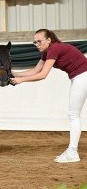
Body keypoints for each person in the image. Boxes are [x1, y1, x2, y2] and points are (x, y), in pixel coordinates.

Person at [10, 29, 87, 163]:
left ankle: (73, 152)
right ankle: (72, 151)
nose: (37, 44)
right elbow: (35, 70)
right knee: (74, 114)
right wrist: (13, 73)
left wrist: (21, 80)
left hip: (83, 76)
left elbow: (42, 75)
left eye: (40, 41)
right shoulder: (47, 53)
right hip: (79, 77)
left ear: (49, 40)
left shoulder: (54, 49)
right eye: (35, 42)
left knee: (73, 115)